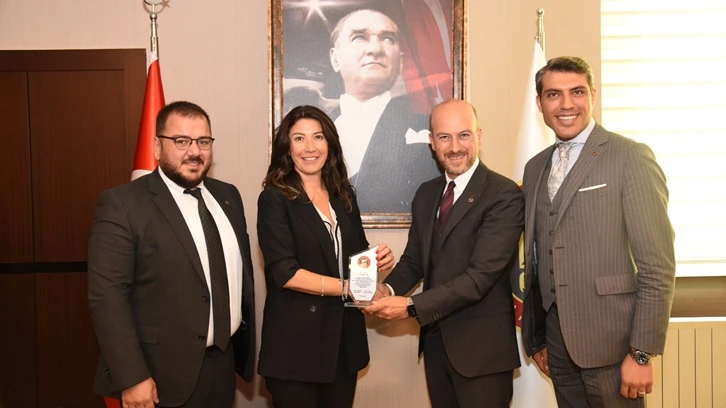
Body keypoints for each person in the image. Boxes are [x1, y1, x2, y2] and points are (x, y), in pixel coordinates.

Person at [520, 56, 676, 408]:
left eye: (576, 92)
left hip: (614, 345)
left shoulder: (630, 156)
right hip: (557, 344)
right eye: (553, 94)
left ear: (593, 95)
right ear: (540, 103)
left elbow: (657, 264)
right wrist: (539, 337)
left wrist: (641, 353)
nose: (566, 104)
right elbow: (535, 257)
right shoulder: (535, 167)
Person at [87, 101, 256, 407]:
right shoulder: (123, 204)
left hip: (223, 364)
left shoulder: (228, 196)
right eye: (181, 141)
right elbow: (107, 297)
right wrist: (132, 377)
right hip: (158, 375)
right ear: (157, 146)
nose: (195, 151)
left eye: (203, 141)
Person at [365, 99, 523, 407]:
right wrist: (388, 289)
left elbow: (480, 277)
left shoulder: (503, 194)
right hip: (437, 346)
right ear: (432, 142)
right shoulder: (426, 193)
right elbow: (414, 260)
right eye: (444, 137)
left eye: (464, 135)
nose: (455, 147)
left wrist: (411, 307)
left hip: (483, 352)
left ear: (479, 136)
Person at [256, 105, 394, 408]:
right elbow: (285, 273)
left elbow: (356, 256)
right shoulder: (274, 198)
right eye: (299, 138)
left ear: (329, 143)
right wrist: (347, 287)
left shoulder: (343, 194)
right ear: (287, 147)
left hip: (343, 346)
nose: (310, 147)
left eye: (318, 137)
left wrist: (376, 262)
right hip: (295, 349)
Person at [329, 8, 441, 213]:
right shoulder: (316, 129)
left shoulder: (428, 129)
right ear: (335, 59)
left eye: (388, 39)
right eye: (359, 37)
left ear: (401, 62)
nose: (375, 49)